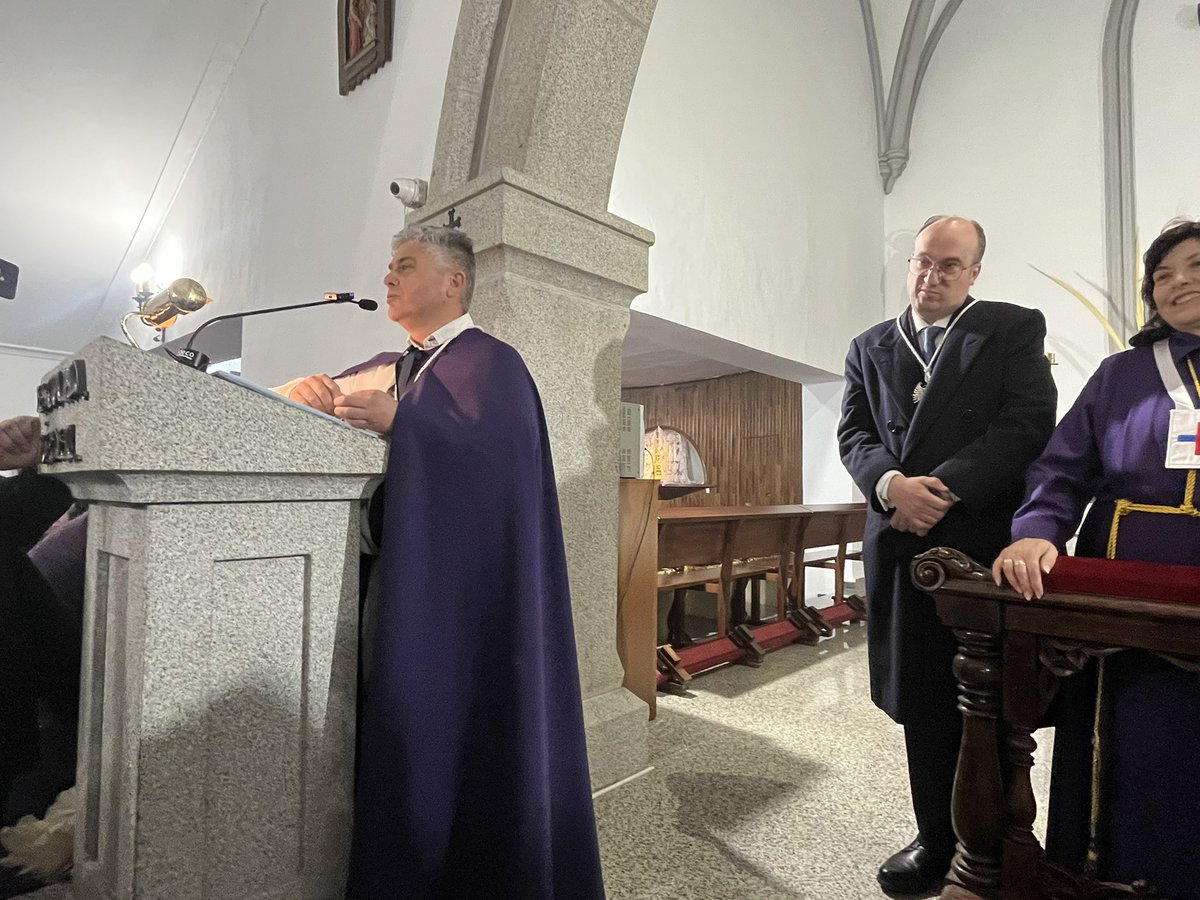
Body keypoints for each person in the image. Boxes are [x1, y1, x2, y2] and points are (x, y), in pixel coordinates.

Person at [286, 225, 605, 899]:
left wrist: (408, 424)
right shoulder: (390, 363)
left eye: (405, 266)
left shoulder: (492, 363)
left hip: (465, 602)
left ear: (455, 282)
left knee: (462, 737)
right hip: (394, 584)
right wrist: (308, 392)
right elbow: (317, 402)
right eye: (389, 267)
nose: (388, 279)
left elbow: (498, 463)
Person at [838, 215, 1057, 895]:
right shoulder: (870, 345)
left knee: (985, 695)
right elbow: (854, 432)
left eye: (949, 266)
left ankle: (999, 837)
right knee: (921, 697)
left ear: (974, 274)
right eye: (923, 262)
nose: (932, 277)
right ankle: (936, 836)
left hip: (981, 537)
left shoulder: (1011, 328)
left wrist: (946, 487)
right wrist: (889, 485)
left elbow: (1025, 421)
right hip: (900, 539)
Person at [994, 218, 1200, 898]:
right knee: (1133, 740)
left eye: (1195, 266)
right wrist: (1037, 530)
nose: (1178, 283)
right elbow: (1060, 471)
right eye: (1163, 275)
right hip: (1122, 587)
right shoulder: (1121, 375)